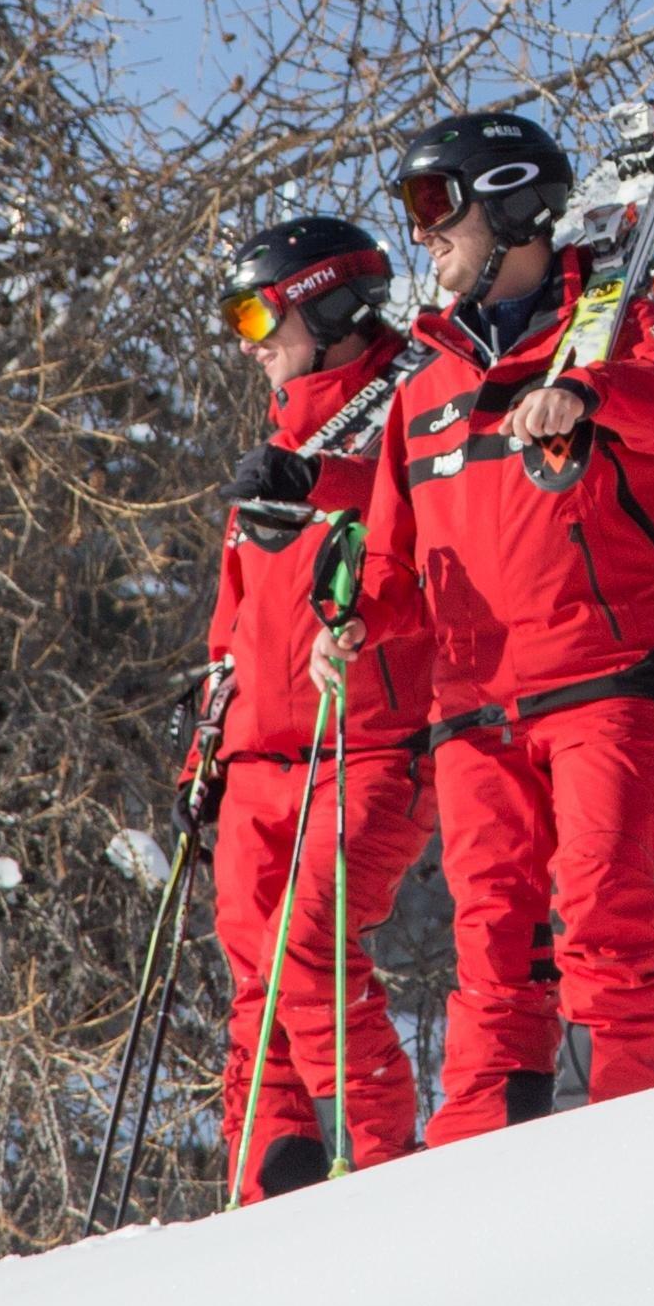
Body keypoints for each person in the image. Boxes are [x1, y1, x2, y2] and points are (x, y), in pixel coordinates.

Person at [318, 106, 654, 1130]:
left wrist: (587, 389)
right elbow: (396, 564)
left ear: (505, 203)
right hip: (473, 709)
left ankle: (628, 1121)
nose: (423, 234)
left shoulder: (618, 319)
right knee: (489, 930)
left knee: (601, 910)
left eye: (434, 205)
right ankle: (482, 1139)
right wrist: (353, 622)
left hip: (605, 677)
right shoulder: (424, 379)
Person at [204, 216, 434, 1194]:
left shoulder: (414, 400)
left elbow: (423, 528)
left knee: (312, 953)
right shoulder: (276, 446)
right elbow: (232, 620)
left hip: (367, 739)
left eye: (261, 311)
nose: (249, 339)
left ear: (330, 306)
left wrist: (322, 480)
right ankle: (268, 1184)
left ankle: (381, 1171)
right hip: (257, 758)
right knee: (256, 984)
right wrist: (205, 759)